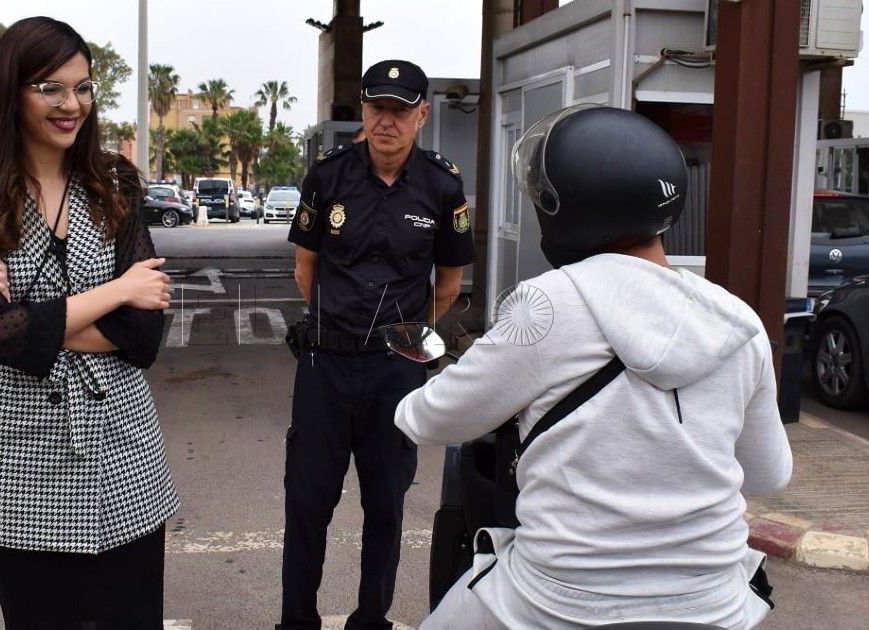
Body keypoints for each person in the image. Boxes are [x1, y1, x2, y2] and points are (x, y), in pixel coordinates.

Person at [394, 105, 793, 629]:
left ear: (567, 210)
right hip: (713, 605)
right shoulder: (738, 321)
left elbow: (431, 420)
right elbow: (769, 473)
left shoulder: (547, 305)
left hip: (559, 602)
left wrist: (414, 396)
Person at [0, 16, 178, 629]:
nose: (70, 104)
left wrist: (30, 316)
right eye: (50, 88)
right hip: (17, 451)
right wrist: (117, 291)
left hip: (120, 442)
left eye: (82, 87)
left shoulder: (115, 182)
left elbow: (145, 335)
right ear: (12, 92)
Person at [279, 59, 475, 630]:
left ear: (422, 115)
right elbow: (304, 268)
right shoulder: (329, 176)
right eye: (376, 108)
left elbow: (450, 283)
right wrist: (338, 325)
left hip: (396, 372)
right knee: (308, 505)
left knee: (386, 505)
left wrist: (403, 337)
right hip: (325, 366)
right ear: (363, 113)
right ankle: (297, 621)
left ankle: (372, 619)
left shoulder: (442, 185)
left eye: (399, 109)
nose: (386, 120)